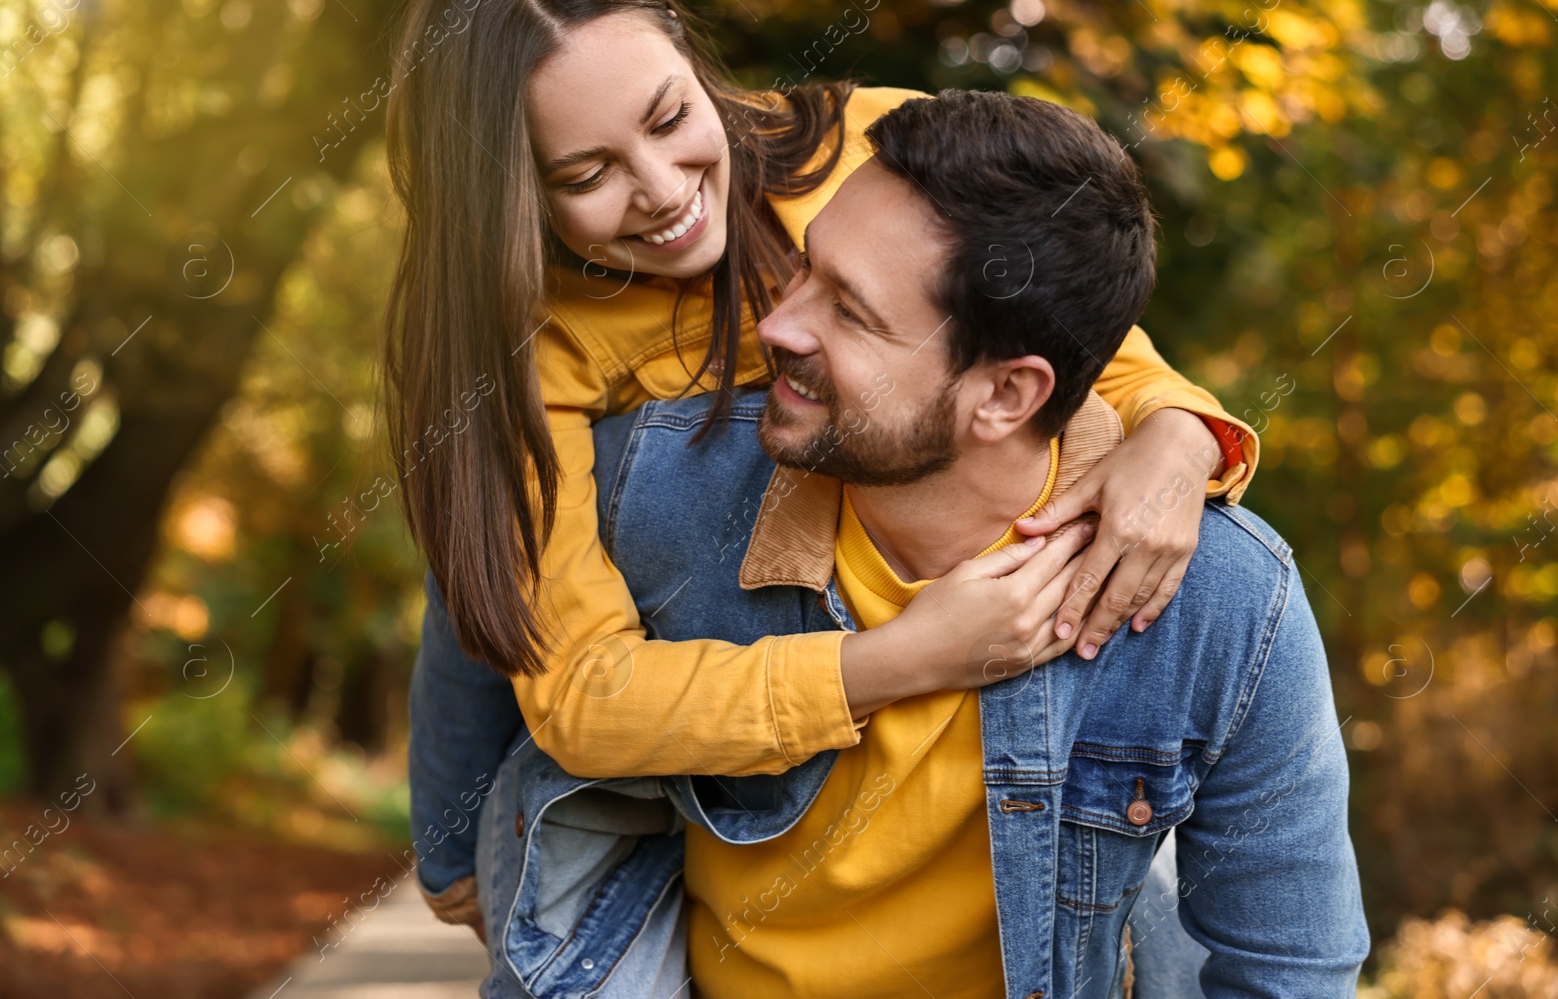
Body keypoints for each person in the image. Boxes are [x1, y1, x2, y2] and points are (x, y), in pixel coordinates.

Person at [383, 0, 1256, 969]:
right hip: (603, 593)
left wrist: (1179, 435)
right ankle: (448, 855)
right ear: (509, 198)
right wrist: (900, 659)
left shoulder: (867, 151)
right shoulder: (528, 347)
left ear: (690, 59)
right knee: (472, 560)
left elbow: (1069, 341)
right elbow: (577, 691)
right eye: (587, 172)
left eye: (669, 117)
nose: (663, 189)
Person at [468, 88, 1366, 996]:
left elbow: (1289, 966)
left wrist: (1177, 424)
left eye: (850, 313)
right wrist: (447, 858)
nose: (774, 324)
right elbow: (494, 620)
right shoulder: (662, 490)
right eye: (805, 269)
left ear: (1008, 397)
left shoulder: (1225, 599)